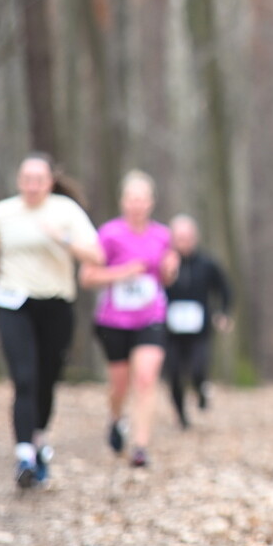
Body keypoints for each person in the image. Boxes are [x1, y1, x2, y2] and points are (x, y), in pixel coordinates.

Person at [0, 153, 104, 488]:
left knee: (47, 378)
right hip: (14, 303)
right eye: (26, 179)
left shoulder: (65, 211)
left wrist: (63, 239)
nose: (31, 186)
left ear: (49, 182)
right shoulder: (4, 212)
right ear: (19, 180)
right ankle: (24, 453)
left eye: (38, 180)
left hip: (56, 304)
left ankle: (38, 435)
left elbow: (97, 256)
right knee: (24, 377)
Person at [80, 170, 177, 469]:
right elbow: (87, 277)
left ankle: (140, 446)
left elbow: (167, 277)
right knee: (119, 385)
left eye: (142, 199)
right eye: (131, 199)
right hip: (113, 321)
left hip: (151, 317)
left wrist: (170, 269)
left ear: (151, 203)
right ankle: (115, 417)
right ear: (123, 202)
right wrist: (122, 272)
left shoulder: (163, 235)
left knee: (146, 378)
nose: (136, 205)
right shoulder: (108, 234)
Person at [163, 214, 232, 429]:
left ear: (195, 237)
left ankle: (201, 389)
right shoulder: (164, 263)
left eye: (188, 237)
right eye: (179, 237)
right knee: (173, 372)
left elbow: (225, 290)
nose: (184, 242)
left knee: (198, 368)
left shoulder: (207, 264)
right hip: (170, 329)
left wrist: (223, 313)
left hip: (199, 329)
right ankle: (181, 415)